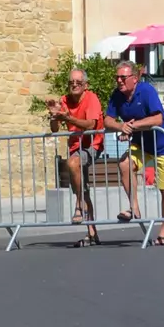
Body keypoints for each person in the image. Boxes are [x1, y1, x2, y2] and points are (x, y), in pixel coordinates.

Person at [104, 61, 164, 245]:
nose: (119, 81)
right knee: (124, 164)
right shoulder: (117, 95)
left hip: (163, 143)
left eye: (123, 77)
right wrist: (121, 126)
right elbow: (107, 120)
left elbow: (158, 118)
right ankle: (134, 208)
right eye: (117, 78)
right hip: (141, 144)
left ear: (135, 78)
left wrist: (132, 126)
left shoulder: (146, 91)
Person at [49, 65, 106, 246]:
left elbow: (90, 124)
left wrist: (69, 119)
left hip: (92, 144)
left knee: (73, 163)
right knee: (84, 187)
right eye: (71, 82)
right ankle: (92, 232)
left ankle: (78, 205)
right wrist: (54, 116)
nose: (74, 85)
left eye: (78, 82)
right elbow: (55, 129)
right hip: (75, 145)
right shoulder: (64, 100)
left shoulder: (92, 98)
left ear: (85, 85)